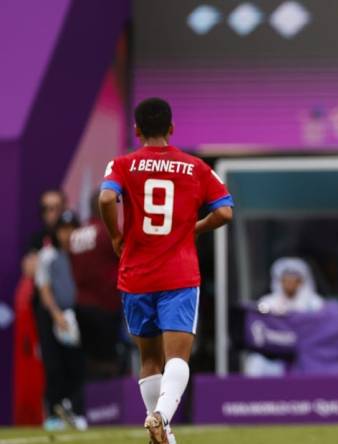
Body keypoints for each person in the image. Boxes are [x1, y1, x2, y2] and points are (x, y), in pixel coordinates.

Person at [99, 97, 233, 444]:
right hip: (179, 274)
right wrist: (195, 228)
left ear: (136, 129)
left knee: (149, 359)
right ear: (171, 129)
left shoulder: (123, 163)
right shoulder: (196, 167)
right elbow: (225, 212)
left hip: (136, 274)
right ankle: (161, 417)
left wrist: (116, 235)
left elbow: (104, 198)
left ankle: (164, 432)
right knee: (178, 357)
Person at [34, 210, 88, 431]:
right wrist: (57, 315)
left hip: (78, 316)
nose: (67, 235)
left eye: (71, 229)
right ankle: (54, 413)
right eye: (63, 230)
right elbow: (44, 288)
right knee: (54, 366)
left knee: (77, 366)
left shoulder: (83, 255)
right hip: (53, 316)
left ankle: (75, 411)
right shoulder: (48, 255)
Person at [70, 190, 123, 379]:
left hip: (81, 305)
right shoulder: (107, 232)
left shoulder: (76, 234)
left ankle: (91, 403)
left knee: (90, 360)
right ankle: (108, 404)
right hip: (105, 306)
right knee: (108, 361)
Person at [257, 257, 324, 314]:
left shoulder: (314, 303)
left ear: (300, 282)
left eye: (294, 281)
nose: (290, 284)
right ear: (280, 281)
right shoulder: (267, 302)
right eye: (286, 281)